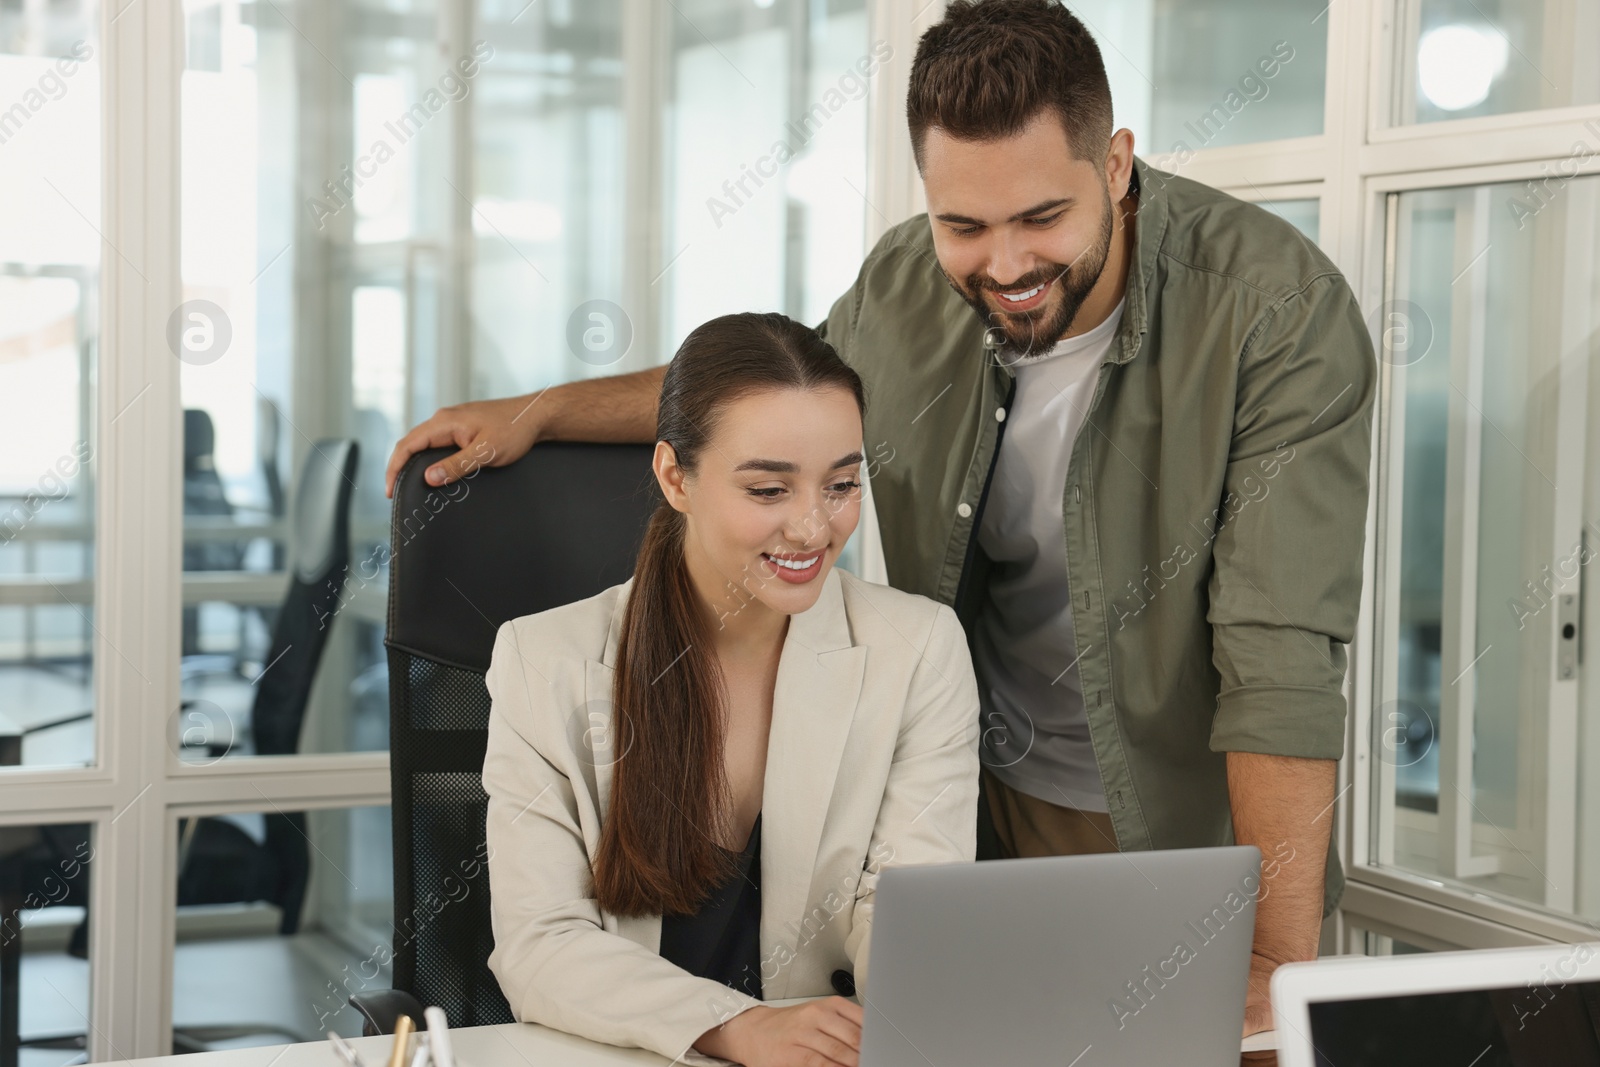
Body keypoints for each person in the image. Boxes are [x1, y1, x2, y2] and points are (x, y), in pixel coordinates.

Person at [397, 0, 1375, 1039]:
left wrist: (1276, 956)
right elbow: (774, 388)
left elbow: (1280, 663)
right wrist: (545, 410)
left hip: (1183, 814)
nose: (1003, 264)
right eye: (964, 225)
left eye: (1041, 217)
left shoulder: (1273, 311)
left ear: (1118, 164)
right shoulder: (909, 280)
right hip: (977, 801)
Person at [480, 312, 980, 1067]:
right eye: (770, 488)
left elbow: (912, 911)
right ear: (674, 476)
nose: (814, 528)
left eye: (842, 484)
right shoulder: (540, 658)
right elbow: (541, 943)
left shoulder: (918, 647)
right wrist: (738, 1026)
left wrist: (916, 1013)